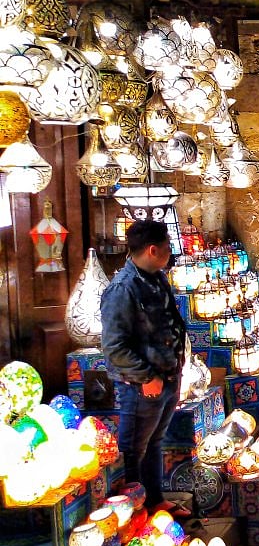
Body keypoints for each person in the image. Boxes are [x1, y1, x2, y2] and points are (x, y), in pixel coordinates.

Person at [100, 220, 188, 515]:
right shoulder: (123, 289)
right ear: (153, 250)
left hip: (168, 376)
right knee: (134, 448)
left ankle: (154, 501)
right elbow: (114, 347)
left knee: (154, 442)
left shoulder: (156, 278)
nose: (170, 251)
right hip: (143, 385)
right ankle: (134, 511)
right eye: (167, 247)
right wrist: (146, 377)